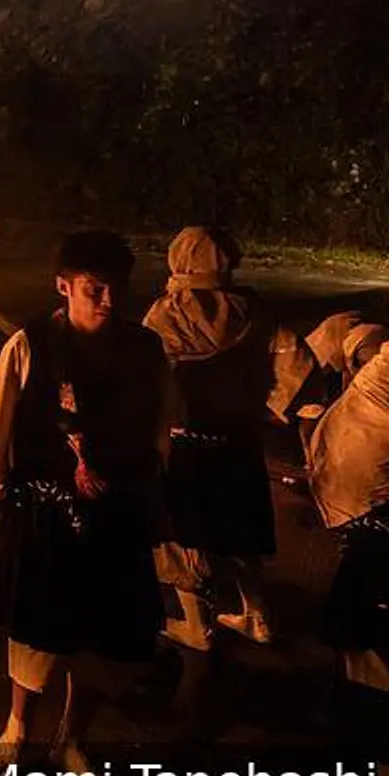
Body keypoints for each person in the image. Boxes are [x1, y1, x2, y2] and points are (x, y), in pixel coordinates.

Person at [0, 231, 172, 772]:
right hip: (46, 507)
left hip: (118, 506)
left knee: (102, 632)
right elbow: (2, 414)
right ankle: (17, 727)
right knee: (38, 627)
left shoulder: (144, 347)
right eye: (95, 289)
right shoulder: (31, 343)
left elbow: (161, 420)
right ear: (63, 286)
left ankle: (72, 736)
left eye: (116, 288)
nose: (108, 301)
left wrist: (157, 486)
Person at [142, 227, 318, 649]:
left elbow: (144, 379)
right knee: (241, 529)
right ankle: (259, 616)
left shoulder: (167, 313)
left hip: (186, 442)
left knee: (180, 529)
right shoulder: (253, 309)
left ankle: (196, 623)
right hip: (238, 440)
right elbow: (298, 367)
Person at [305, 344, 389, 776]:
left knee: (366, 639)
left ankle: (371, 766)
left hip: (370, 510)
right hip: (368, 507)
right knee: (362, 634)